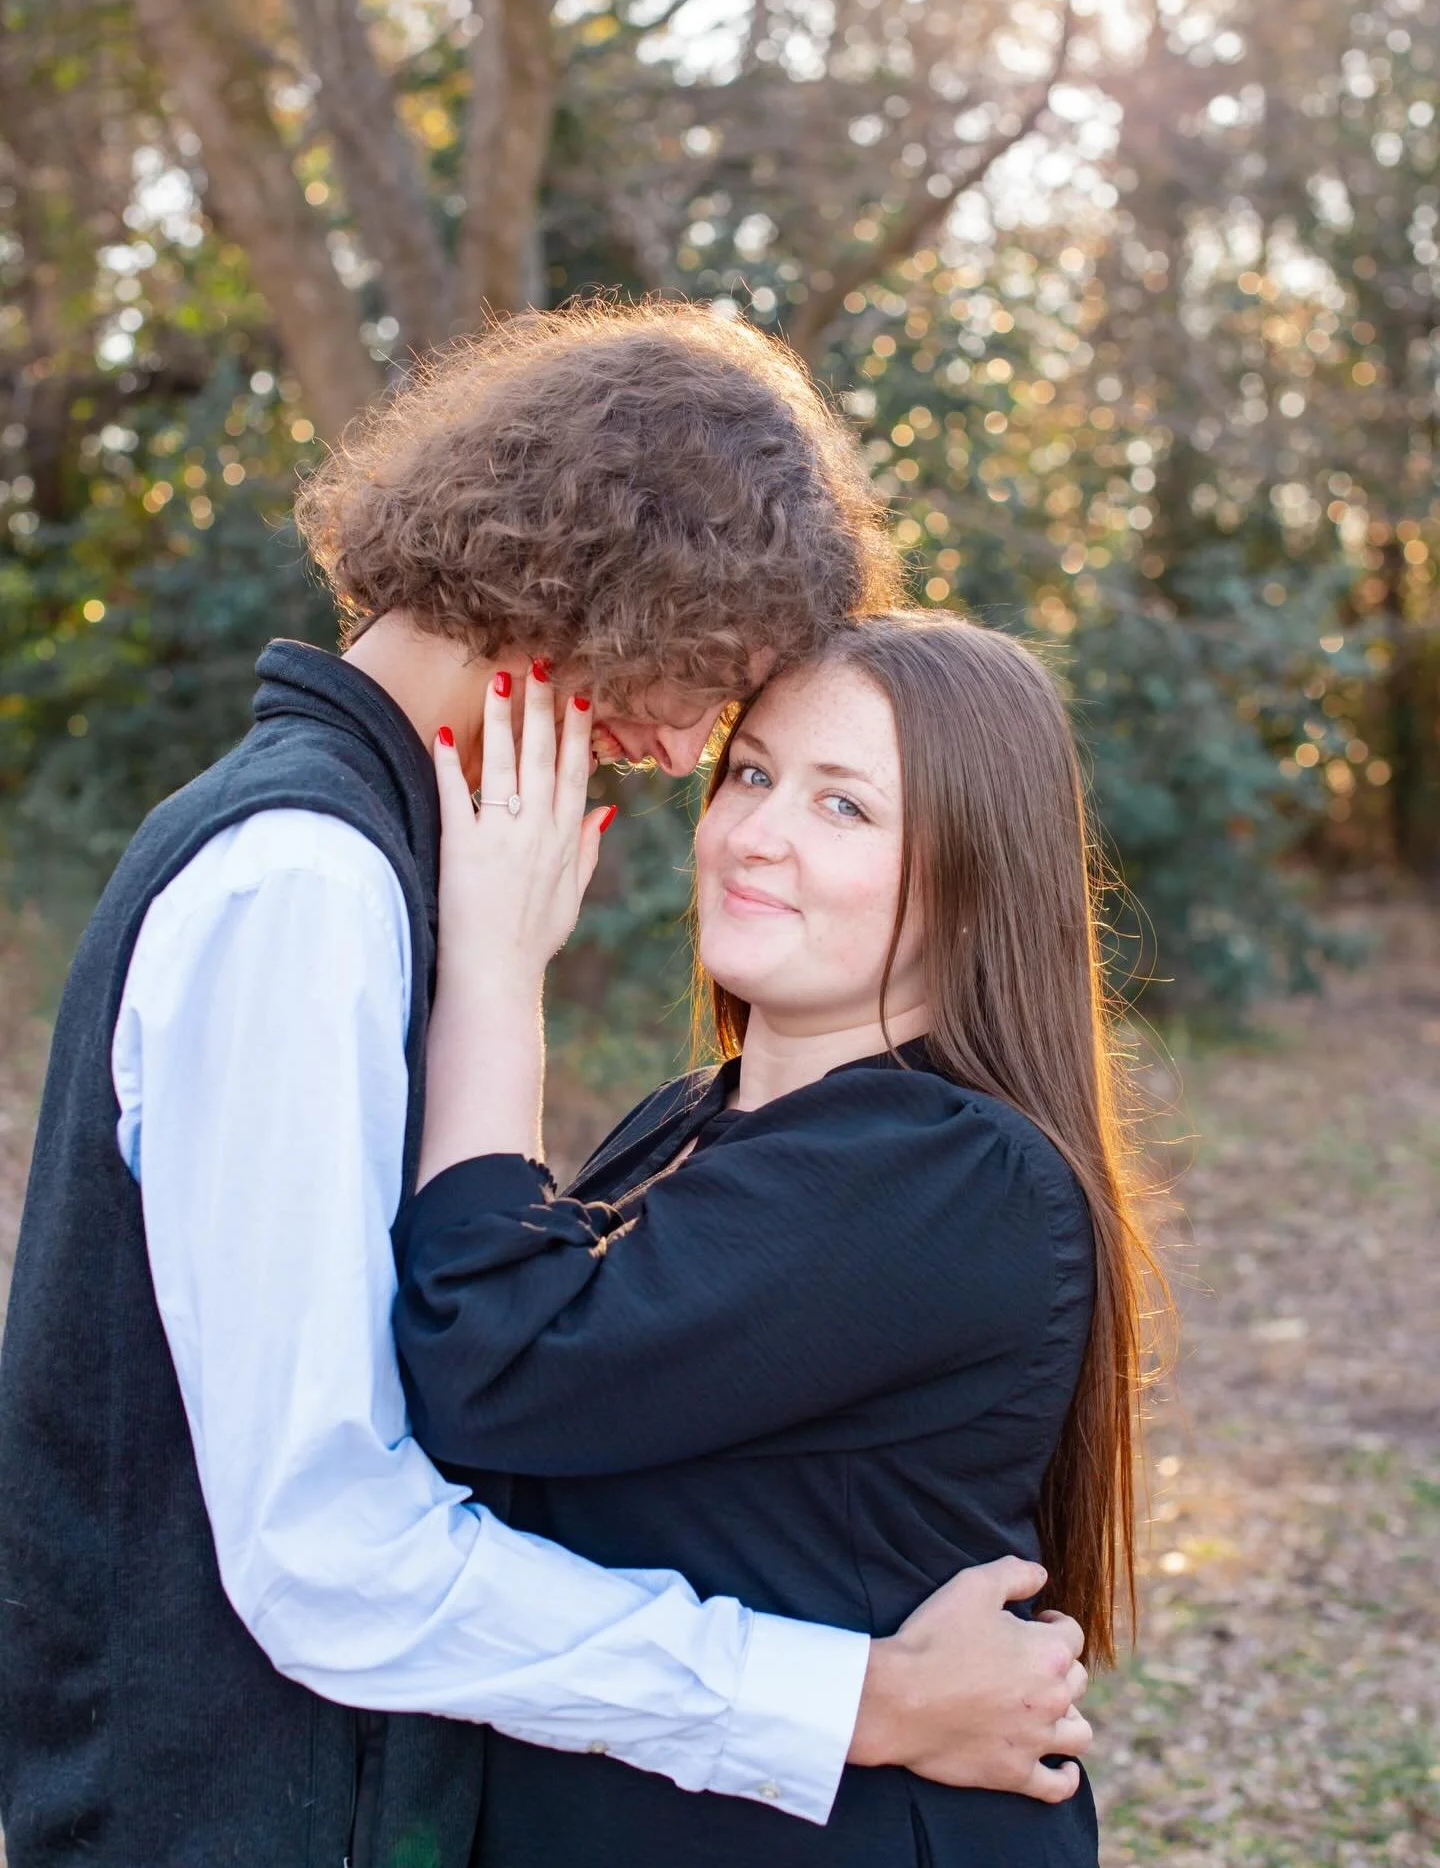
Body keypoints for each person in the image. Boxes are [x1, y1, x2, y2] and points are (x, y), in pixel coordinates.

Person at [0, 305, 1090, 1868]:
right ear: (598, 582)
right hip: (232, 1813)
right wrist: (844, 1699)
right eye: (710, 691)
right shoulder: (301, 886)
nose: (672, 751)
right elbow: (329, 1539)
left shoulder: (362, 871)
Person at [392, 609, 1166, 1866]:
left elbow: (485, 1362)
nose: (756, 834)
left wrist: (494, 963)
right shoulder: (684, 1125)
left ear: (975, 880)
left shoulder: (947, 1172)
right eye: (751, 774)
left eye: (843, 807)